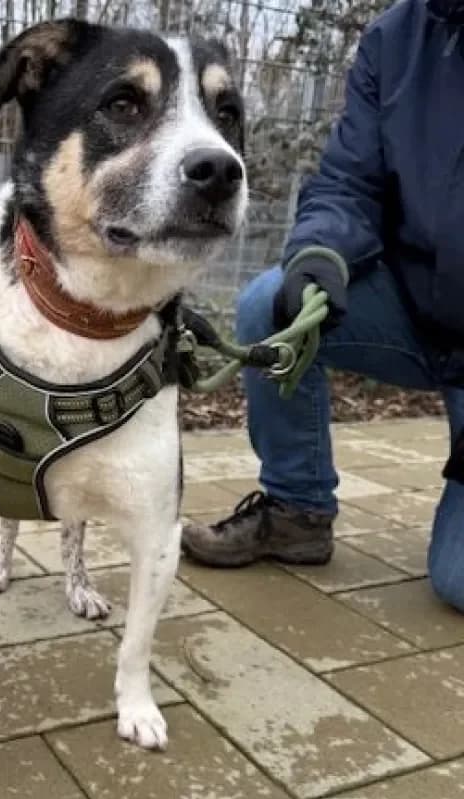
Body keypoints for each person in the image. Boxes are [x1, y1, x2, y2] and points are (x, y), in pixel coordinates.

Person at [181, 0, 464, 613]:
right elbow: (349, 181)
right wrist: (320, 255)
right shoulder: (397, 38)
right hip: (419, 313)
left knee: (458, 582)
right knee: (272, 306)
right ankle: (297, 513)